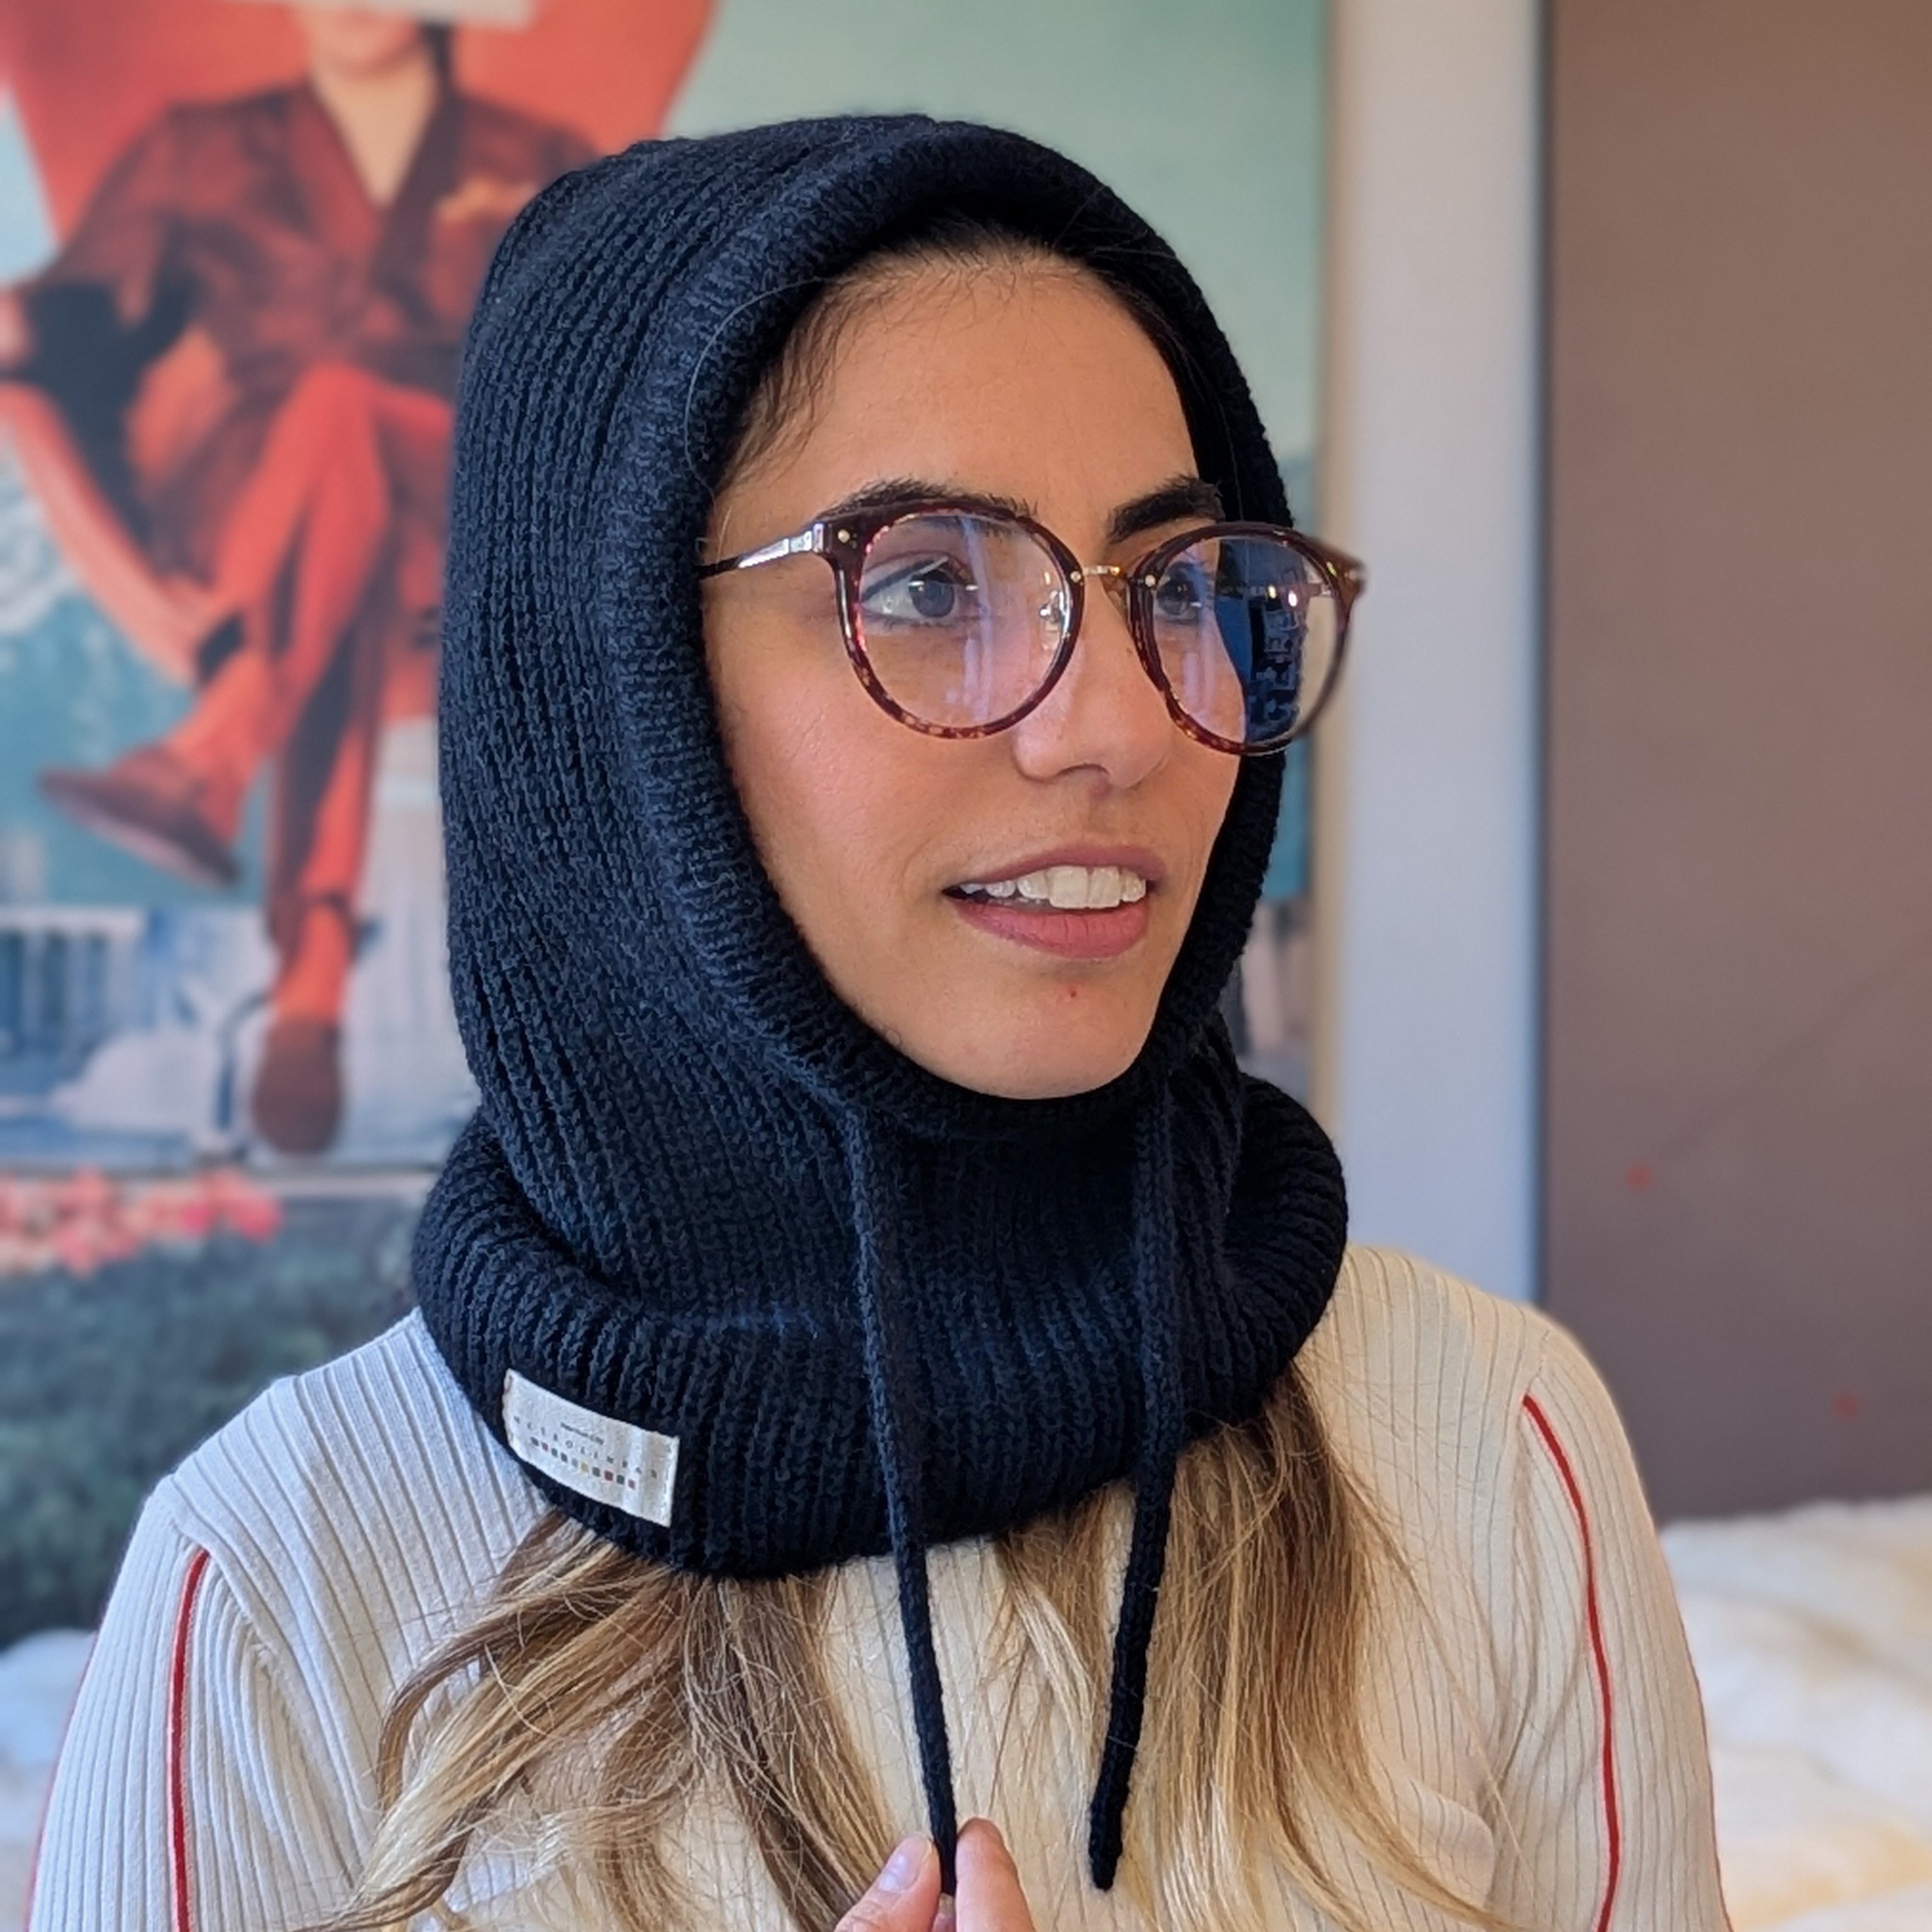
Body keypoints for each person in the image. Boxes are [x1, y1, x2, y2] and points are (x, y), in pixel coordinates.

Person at [27, 118, 1729, 1931]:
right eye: (926, 584)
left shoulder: (1491, 1446)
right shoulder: (278, 1579)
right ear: (622, 691)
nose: (1127, 729)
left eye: (1178, 587)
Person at [1, 3, 592, 1153]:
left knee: (346, 418)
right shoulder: (201, 148)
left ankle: (226, 761)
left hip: (461, 506)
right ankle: (311, 987)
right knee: (333, 529)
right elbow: (82, 312)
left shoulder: (535, 157)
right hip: (261, 516)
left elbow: (603, 361)